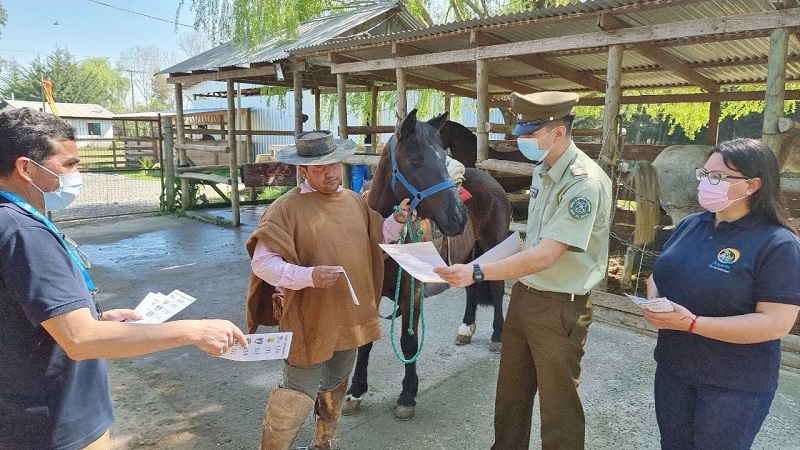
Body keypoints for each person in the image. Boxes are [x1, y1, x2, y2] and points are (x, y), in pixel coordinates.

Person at [0, 107, 248, 450]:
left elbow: (27, 314)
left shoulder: (13, 222)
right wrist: (195, 330)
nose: (77, 174)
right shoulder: (24, 231)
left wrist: (97, 317)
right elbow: (80, 340)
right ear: (26, 168)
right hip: (55, 425)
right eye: (69, 164)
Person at [434, 91, 612, 450]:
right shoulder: (544, 170)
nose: (521, 141)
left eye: (528, 134)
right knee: (511, 397)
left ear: (557, 133)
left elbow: (547, 254)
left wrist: (478, 271)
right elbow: (534, 243)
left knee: (558, 407)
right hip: (526, 295)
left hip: (561, 304)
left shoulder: (583, 183)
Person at [245, 130, 413, 450]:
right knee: (296, 393)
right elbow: (262, 264)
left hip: (349, 317)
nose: (331, 172)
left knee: (335, 386)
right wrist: (308, 276)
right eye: (320, 167)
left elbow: (376, 241)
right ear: (303, 171)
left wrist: (398, 221)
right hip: (310, 318)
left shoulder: (353, 201)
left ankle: (325, 444)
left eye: (334, 164)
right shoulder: (285, 209)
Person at [642, 138, 800, 450]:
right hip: (675, 370)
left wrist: (692, 323)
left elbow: (775, 323)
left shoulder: (778, 244)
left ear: (752, 185)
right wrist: (653, 301)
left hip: (733, 384)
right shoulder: (689, 225)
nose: (706, 183)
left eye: (718, 177)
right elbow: (658, 275)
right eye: (705, 174)